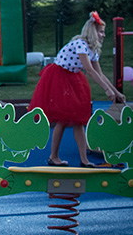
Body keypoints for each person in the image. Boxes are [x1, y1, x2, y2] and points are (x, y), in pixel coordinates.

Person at [29, 11, 126, 167]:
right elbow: (90, 70)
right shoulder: (81, 44)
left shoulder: (93, 49)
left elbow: (100, 73)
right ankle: (53, 156)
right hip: (59, 77)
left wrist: (115, 92)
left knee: (79, 120)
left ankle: (84, 159)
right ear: (93, 32)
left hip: (73, 78)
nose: (103, 35)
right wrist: (106, 91)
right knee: (63, 119)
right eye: (101, 32)